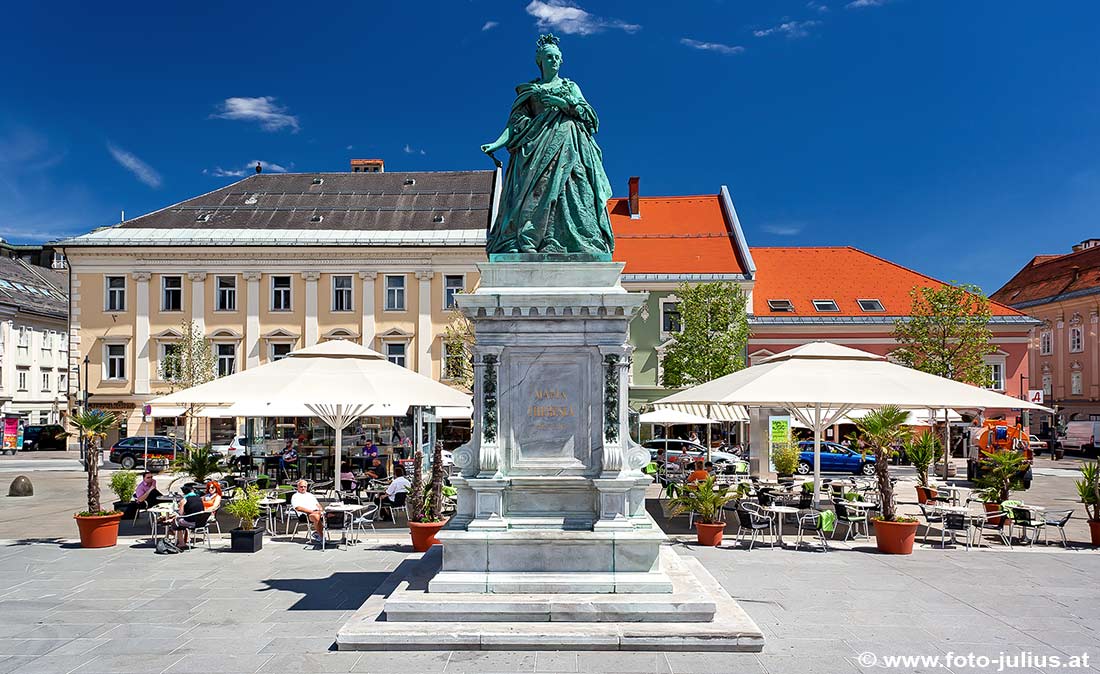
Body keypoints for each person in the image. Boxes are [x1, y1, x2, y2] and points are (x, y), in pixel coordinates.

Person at [481, 34, 614, 256]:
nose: (553, 60)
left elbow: (591, 119)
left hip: (570, 145)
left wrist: (562, 103)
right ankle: (530, 238)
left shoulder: (570, 87)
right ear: (540, 61)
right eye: (549, 57)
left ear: (561, 61)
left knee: (573, 190)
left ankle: (576, 240)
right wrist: (496, 143)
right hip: (536, 148)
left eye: (556, 57)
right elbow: (514, 125)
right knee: (537, 190)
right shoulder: (529, 90)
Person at [169, 484, 206, 549]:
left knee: (175, 522)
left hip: (191, 523)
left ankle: (181, 543)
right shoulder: (199, 498)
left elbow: (180, 513)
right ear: (192, 490)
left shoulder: (184, 500)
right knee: (180, 521)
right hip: (201, 522)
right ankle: (186, 538)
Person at [291, 479, 325, 544]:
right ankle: (321, 537)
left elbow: (318, 505)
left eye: (304, 486)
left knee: (332, 515)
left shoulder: (310, 495)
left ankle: (317, 532)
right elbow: (298, 508)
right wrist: (312, 512)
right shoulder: (295, 496)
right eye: (301, 486)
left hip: (316, 512)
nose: (303, 488)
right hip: (304, 515)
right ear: (298, 487)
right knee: (316, 516)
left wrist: (320, 510)